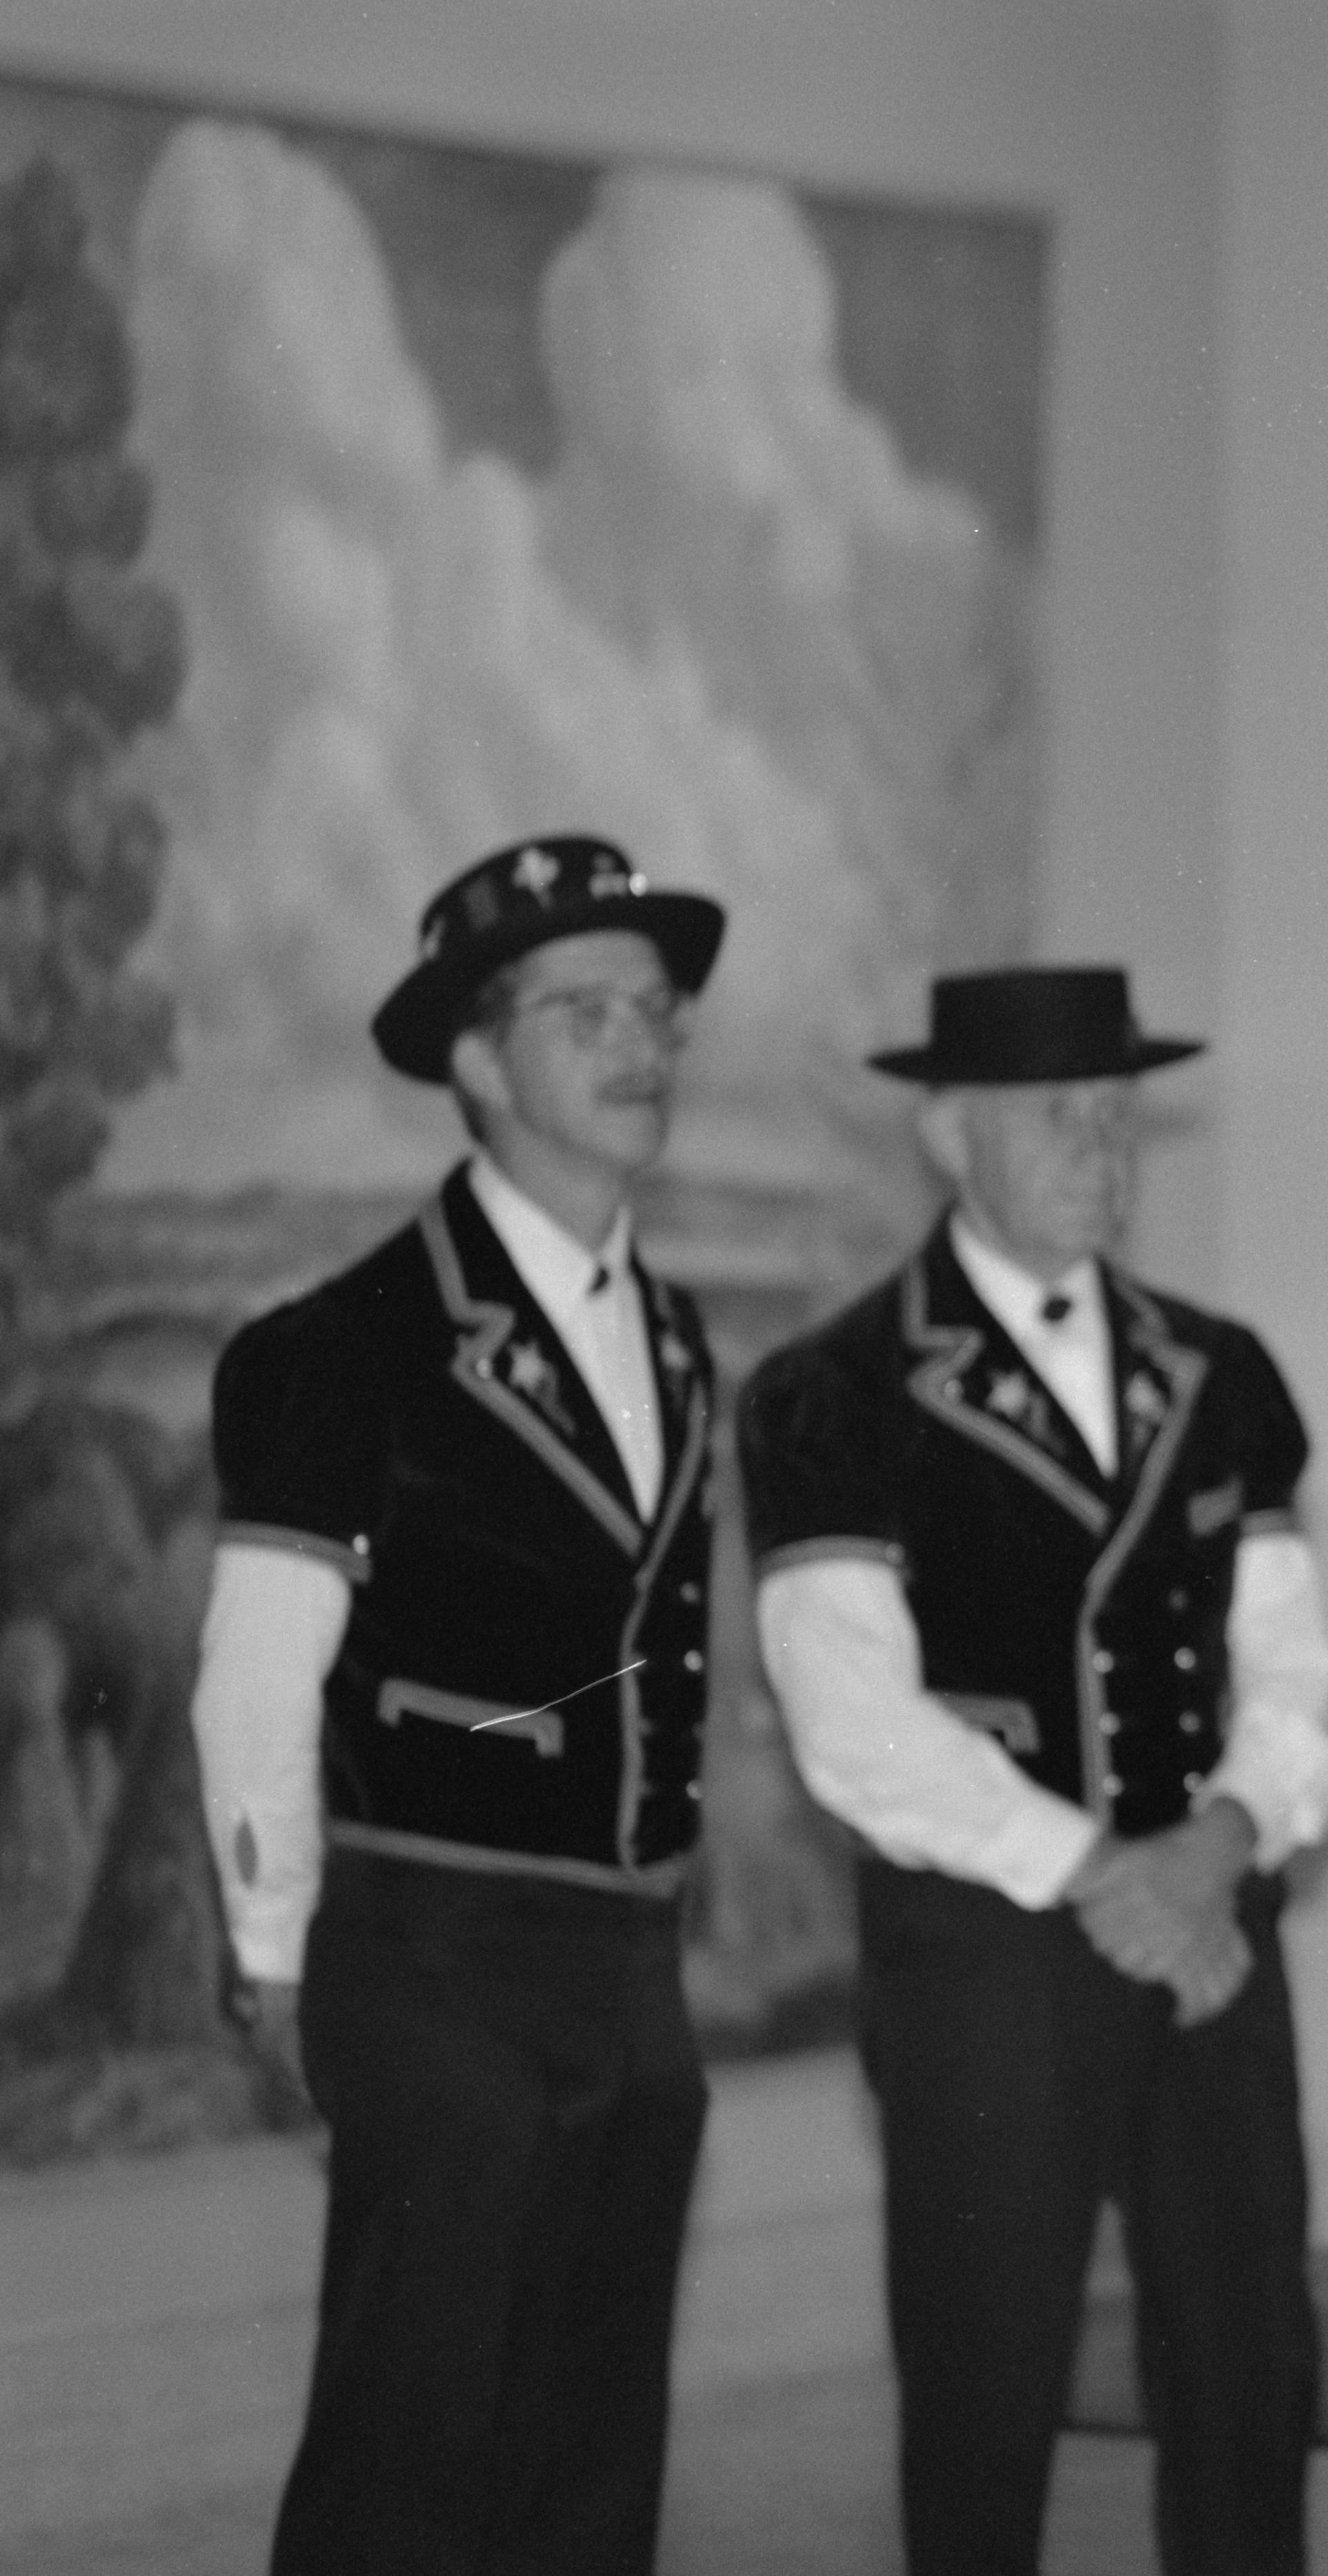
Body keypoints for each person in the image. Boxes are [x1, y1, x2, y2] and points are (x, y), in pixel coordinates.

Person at [737, 967, 1328, 2576]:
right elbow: (852, 1722)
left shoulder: (1220, 1370)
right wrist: (1101, 1871)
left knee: (1249, 2375)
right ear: (948, 1133)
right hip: (987, 1954)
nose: (1100, 1145)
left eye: (1116, 1111)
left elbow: (1289, 1662)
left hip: (1211, 1929)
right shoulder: (830, 1392)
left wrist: (1219, 1840)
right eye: (1055, 1114)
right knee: (984, 2392)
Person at [190, 834, 727, 2573]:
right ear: (479, 1063)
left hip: (629, 1974)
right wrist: (271, 1952)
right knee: (408, 2472)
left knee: (589, 2479)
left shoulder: (676, 1339)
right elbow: (254, 1677)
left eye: (656, 1009)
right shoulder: (346, 1342)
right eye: (588, 1012)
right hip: (434, 1966)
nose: (641, 1045)